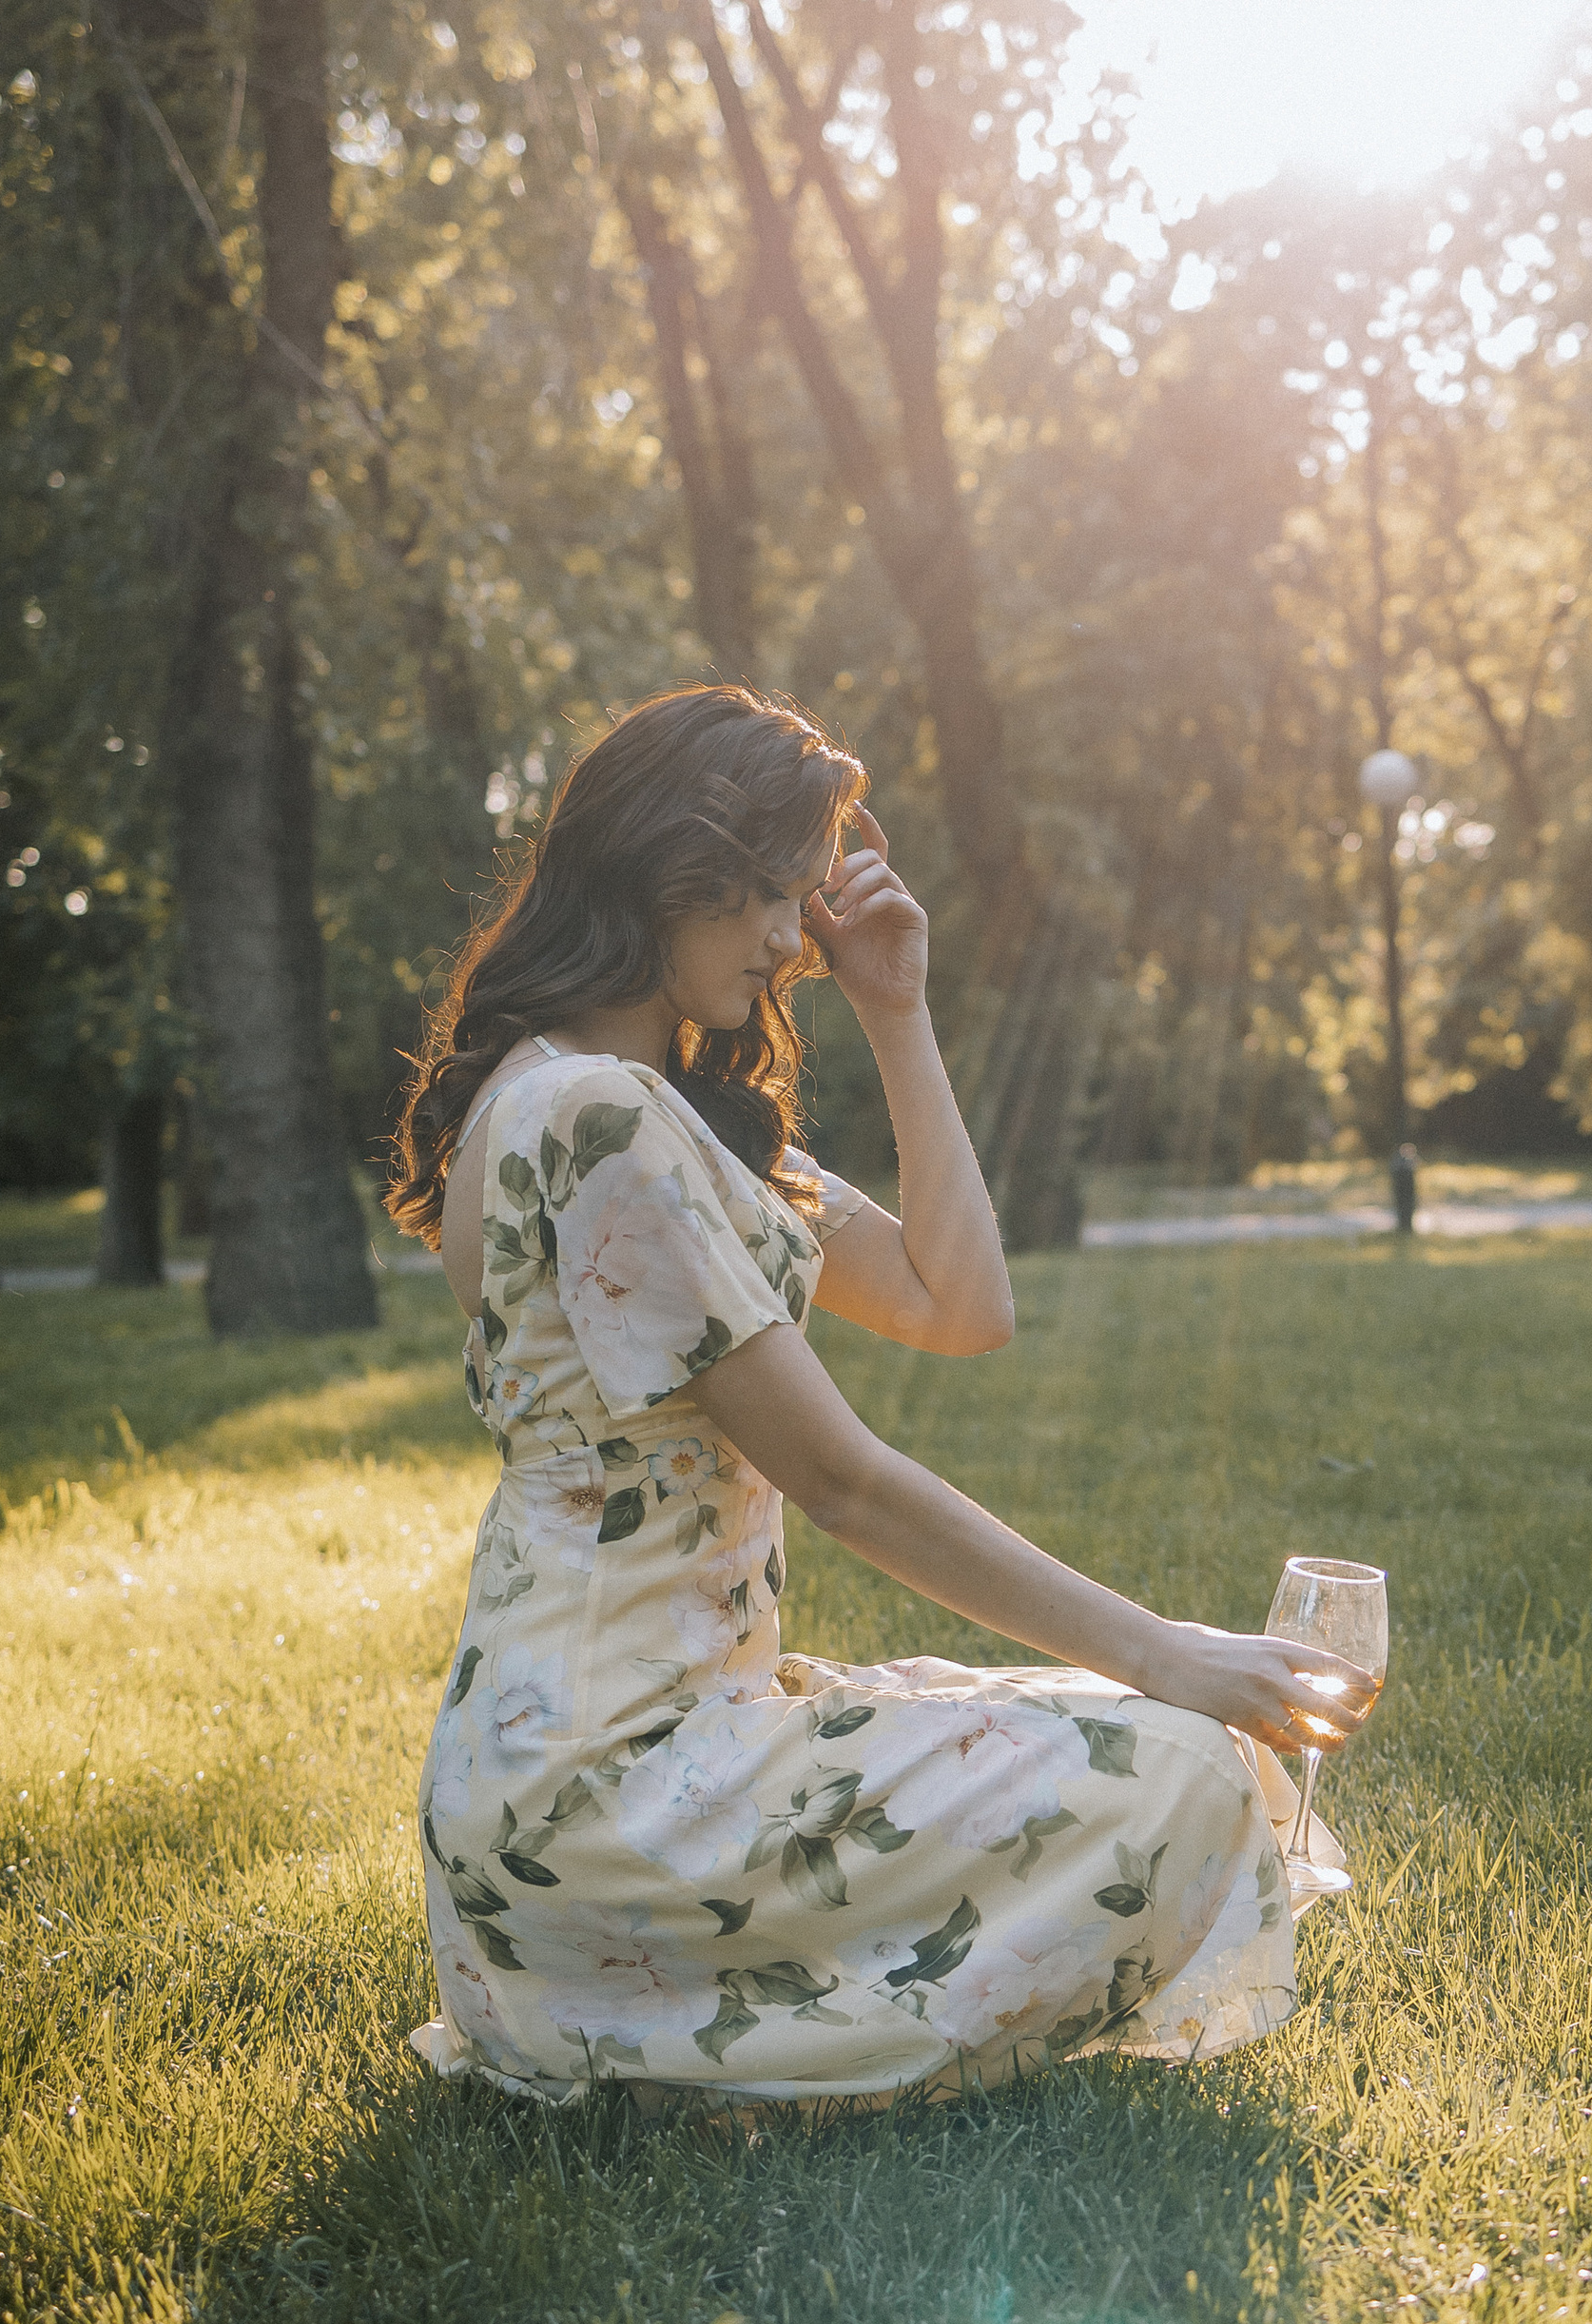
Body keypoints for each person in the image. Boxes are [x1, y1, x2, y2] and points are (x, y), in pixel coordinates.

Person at [384, 684, 1365, 2114]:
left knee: (1194, 1755)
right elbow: (840, 1480)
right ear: (675, 869)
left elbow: (959, 1305)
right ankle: (684, 2020)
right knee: (1177, 1771)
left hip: (632, 1755)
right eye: (772, 895)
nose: (795, 942)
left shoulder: (636, 1110)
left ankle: (696, 2006)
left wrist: (900, 1016)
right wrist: (1163, 1648)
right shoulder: (591, 1117)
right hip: (608, 1793)